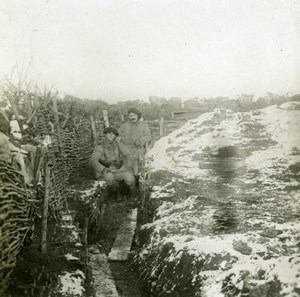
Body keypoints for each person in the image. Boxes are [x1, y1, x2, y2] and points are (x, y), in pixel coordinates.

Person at [89, 126, 136, 201]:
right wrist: (103, 169)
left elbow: (129, 154)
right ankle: (116, 194)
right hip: (106, 170)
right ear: (105, 135)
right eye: (108, 133)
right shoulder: (100, 147)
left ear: (115, 136)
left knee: (130, 178)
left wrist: (129, 166)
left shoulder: (118, 144)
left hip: (118, 170)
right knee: (109, 178)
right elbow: (93, 160)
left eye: (113, 134)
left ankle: (128, 194)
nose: (111, 135)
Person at [118, 108, 151, 179]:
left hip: (138, 151)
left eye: (134, 115)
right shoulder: (124, 126)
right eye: (130, 115)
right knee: (127, 172)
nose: (132, 117)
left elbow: (148, 136)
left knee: (137, 171)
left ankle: (138, 183)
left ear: (138, 116)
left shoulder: (143, 125)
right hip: (126, 152)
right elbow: (118, 138)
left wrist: (140, 141)